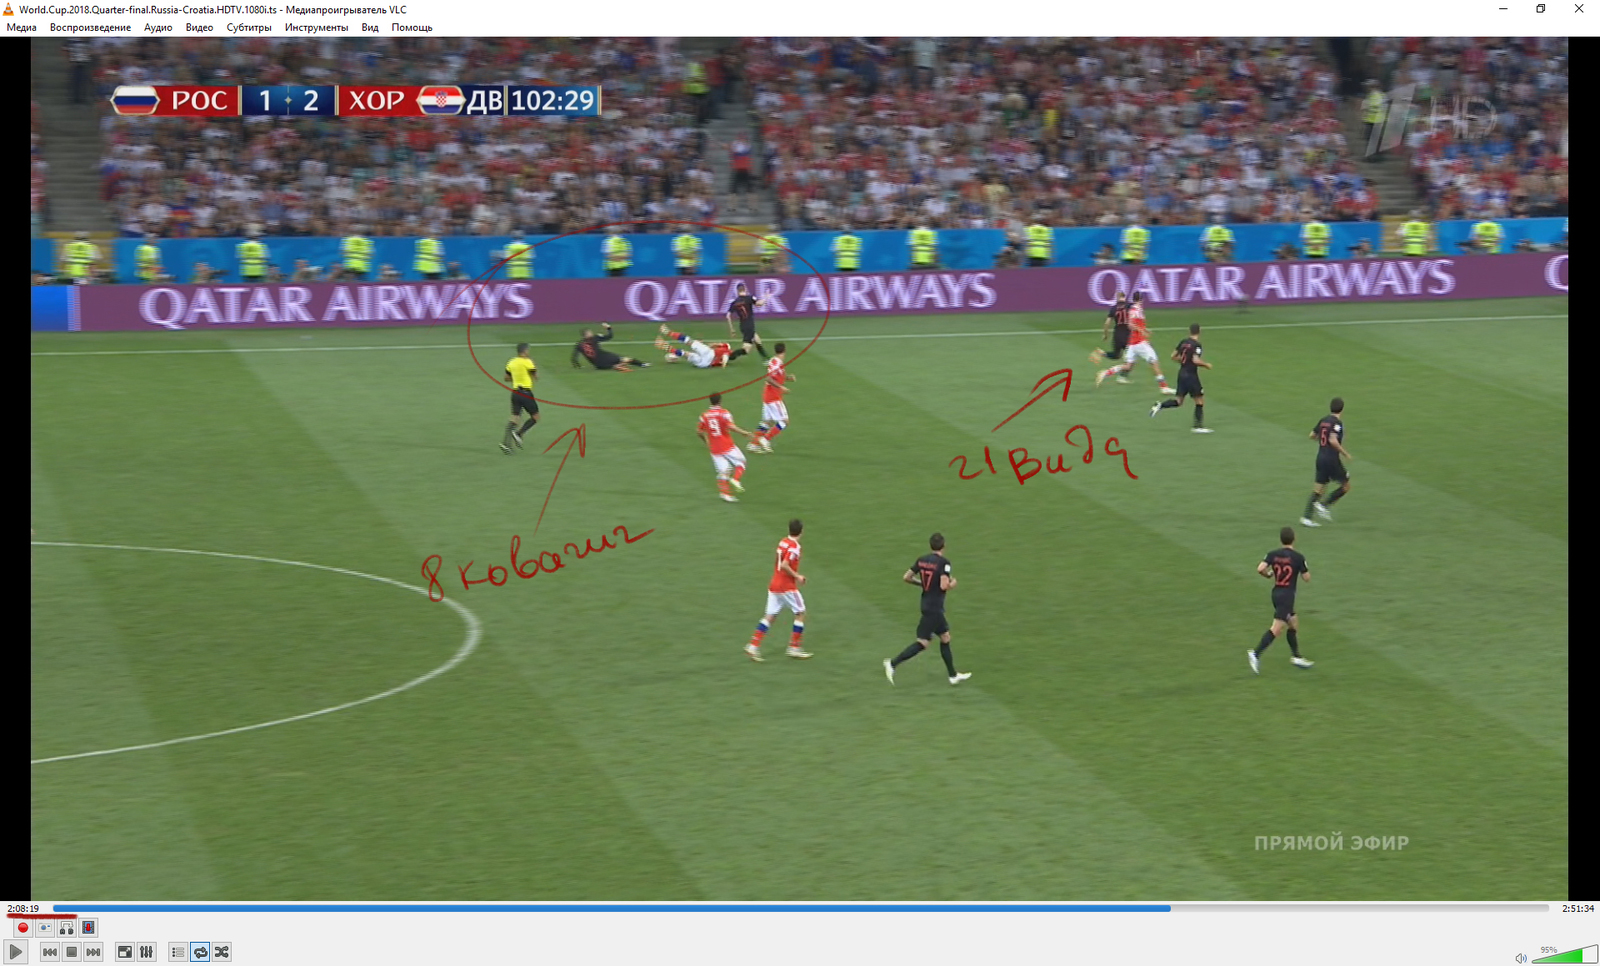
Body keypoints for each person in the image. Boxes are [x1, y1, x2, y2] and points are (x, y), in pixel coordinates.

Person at [883, 532, 971, 687]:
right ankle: (892, 664)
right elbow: (944, 586)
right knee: (923, 643)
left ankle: (953, 676)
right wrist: (953, 584)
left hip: (927, 604)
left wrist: (922, 584)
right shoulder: (944, 563)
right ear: (943, 546)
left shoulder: (922, 560)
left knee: (945, 637)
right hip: (934, 608)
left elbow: (907, 577)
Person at [1246, 526, 1315, 674]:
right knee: (1277, 628)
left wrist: (1269, 575)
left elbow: (1260, 568)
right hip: (1287, 596)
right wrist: (1303, 568)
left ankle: (1296, 656)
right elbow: (1307, 578)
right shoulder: (1298, 557)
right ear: (1294, 539)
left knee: (1293, 623)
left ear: (1281, 540)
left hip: (1276, 593)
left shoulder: (1273, 554)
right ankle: (1255, 654)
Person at [744, 518, 812, 662]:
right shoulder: (795, 547)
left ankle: (753, 646)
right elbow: (785, 564)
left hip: (774, 584)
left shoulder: (783, 542)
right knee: (801, 613)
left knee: (770, 616)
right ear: (801, 531)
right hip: (786, 587)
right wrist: (797, 576)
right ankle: (794, 647)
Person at [1099, 292, 1174, 393]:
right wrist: (1142, 331)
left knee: (1128, 366)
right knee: (1154, 362)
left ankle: (1106, 373)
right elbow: (1130, 325)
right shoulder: (1137, 310)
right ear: (1141, 300)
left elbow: (1133, 324)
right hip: (1139, 342)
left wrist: (1144, 330)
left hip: (1132, 343)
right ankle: (1164, 387)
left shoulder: (1132, 309)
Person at [1150, 323, 1213, 433]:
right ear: (1199, 331)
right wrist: (1206, 365)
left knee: (1179, 401)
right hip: (1191, 375)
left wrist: (1184, 361)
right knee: (1199, 400)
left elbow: (1173, 356)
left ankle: (1160, 405)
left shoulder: (1184, 342)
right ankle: (1198, 427)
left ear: (1190, 331)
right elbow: (1195, 360)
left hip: (1182, 373)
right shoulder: (1196, 345)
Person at [1301, 397, 1352, 528]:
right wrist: (1345, 453)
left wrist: (1322, 442)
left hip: (1321, 457)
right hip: (1331, 459)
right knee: (1346, 485)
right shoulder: (1337, 423)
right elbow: (1333, 440)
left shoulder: (1323, 420)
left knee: (1318, 489)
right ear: (1342, 409)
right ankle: (1324, 505)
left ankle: (1306, 517)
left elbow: (1312, 435)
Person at [697, 392, 756, 503]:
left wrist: (706, 441)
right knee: (741, 462)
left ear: (710, 402)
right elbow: (730, 426)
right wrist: (745, 433)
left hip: (714, 448)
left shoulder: (704, 416)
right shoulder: (724, 413)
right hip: (727, 445)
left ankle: (725, 494)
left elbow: (699, 432)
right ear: (720, 401)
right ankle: (736, 480)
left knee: (724, 470)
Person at [747, 342, 795, 454]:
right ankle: (765, 439)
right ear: (784, 351)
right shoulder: (776, 363)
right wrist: (781, 387)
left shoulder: (775, 361)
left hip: (768, 396)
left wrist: (788, 378)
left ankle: (753, 444)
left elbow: (776, 376)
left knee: (767, 422)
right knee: (784, 421)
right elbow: (768, 378)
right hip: (773, 397)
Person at [500, 342, 539, 455]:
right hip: (526, 393)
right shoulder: (528, 362)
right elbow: (535, 377)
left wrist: (517, 377)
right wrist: (533, 366)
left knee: (514, 418)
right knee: (535, 417)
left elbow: (506, 378)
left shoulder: (511, 362)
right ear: (525, 351)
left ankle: (506, 444)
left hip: (515, 393)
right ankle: (519, 433)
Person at [572, 322, 648, 371]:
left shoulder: (579, 344)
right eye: (590, 332)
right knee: (624, 359)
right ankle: (642, 364)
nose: (591, 333)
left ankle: (617, 366)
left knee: (615, 365)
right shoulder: (595, 338)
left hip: (598, 365)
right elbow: (609, 336)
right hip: (604, 357)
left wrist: (578, 366)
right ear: (586, 335)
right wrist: (609, 328)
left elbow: (574, 357)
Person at [657, 325, 733, 368]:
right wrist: (723, 364)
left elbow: (714, 345)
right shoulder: (726, 351)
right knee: (686, 354)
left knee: (689, 341)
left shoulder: (727, 348)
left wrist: (724, 363)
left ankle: (669, 333)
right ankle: (667, 347)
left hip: (709, 353)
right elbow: (723, 358)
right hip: (704, 364)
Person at [725, 282, 767, 360]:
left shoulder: (734, 302)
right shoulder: (749, 298)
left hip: (743, 326)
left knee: (757, 340)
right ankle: (728, 357)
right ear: (745, 289)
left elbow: (728, 316)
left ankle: (766, 359)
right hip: (749, 325)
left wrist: (732, 329)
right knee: (746, 349)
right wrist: (766, 297)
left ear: (737, 291)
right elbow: (759, 304)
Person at [1089, 292, 1131, 367]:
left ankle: (1102, 353)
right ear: (1124, 297)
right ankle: (1123, 371)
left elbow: (1107, 323)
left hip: (1117, 334)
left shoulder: (1114, 308)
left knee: (1116, 355)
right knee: (1131, 356)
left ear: (1117, 298)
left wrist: (1105, 335)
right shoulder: (1130, 306)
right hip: (1128, 335)